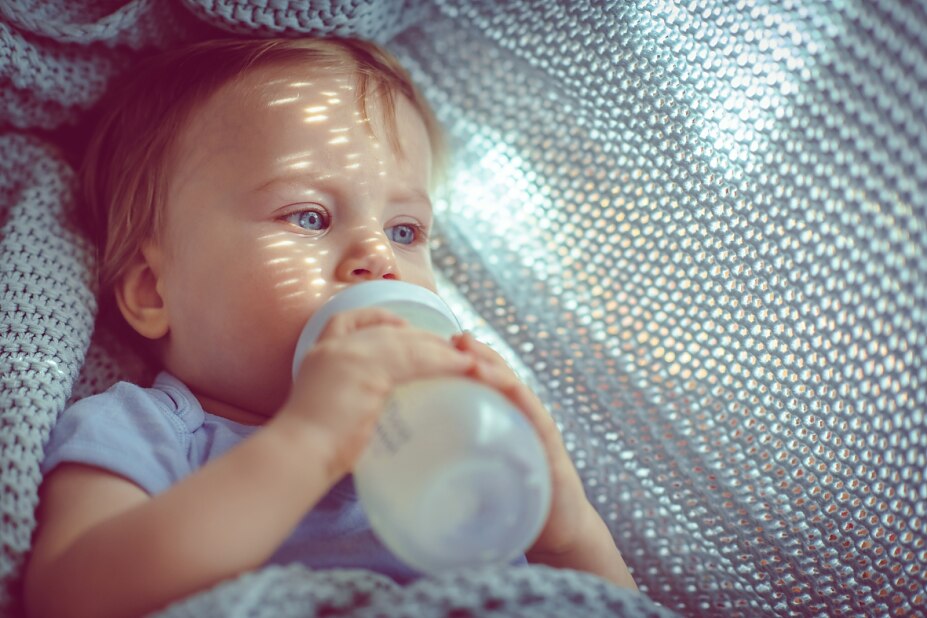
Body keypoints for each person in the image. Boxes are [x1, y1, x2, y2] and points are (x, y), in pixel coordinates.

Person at [24, 37, 637, 618]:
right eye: (310, 216)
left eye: (406, 230)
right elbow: (74, 598)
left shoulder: (447, 447)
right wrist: (309, 441)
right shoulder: (143, 429)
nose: (380, 257)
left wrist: (567, 533)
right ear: (155, 290)